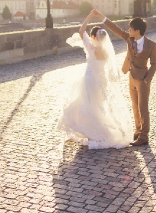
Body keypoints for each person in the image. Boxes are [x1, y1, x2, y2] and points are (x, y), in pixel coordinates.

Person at [57, 11, 133, 149]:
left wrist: (89, 16)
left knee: (88, 107)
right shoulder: (105, 50)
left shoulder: (91, 47)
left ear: (93, 36)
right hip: (102, 81)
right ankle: (97, 132)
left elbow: (81, 31)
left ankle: (94, 134)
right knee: (98, 107)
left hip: (90, 80)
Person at [92, 9, 156, 146]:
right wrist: (101, 16)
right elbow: (115, 29)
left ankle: (144, 136)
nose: (129, 30)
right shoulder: (130, 38)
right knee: (134, 106)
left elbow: (154, 63)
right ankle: (138, 130)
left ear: (137, 30)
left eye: (131, 28)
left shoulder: (151, 45)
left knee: (143, 108)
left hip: (143, 80)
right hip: (131, 78)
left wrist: (147, 78)